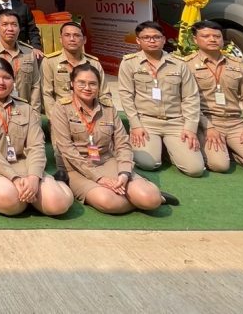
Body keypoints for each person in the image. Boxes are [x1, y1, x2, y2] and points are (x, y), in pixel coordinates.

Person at [50, 63, 169, 214]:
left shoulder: (108, 108)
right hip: (76, 169)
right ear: (72, 84)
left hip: (106, 161)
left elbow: (122, 143)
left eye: (93, 84)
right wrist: (99, 178)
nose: (87, 88)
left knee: (150, 199)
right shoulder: (61, 108)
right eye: (81, 83)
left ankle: (145, 196)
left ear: (99, 86)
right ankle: (139, 198)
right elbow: (67, 149)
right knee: (108, 201)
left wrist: (124, 172)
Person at [0, 57, 73, 217]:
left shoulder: (25, 107)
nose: (1, 82)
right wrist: (14, 178)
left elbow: (36, 146)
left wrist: (33, 177)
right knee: (11, 201)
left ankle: (59, 184)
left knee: (57, 205)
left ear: (13, 81)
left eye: (7, 78)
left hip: (21, 164)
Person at [117, 21, 204, 177]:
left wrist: (190, 128)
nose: (152, 41)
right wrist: (135, 125)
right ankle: (160, 148)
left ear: (163, 39)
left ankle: (169, 149)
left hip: (175, 122)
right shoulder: (129, 63)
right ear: (138, 40)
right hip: (146, 122)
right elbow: (126, 96)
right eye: (146, 38)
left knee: (195, 169)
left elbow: (190, 97)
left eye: (156, 37)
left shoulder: (179, 64)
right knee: (148, 163)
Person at [187, 20, 243, 177]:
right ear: (195, 40)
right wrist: (208, 127)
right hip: (206, 123)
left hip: (235, 124)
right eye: (206, 36)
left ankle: (232, 150)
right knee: (220, 165)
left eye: (217, 36)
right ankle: (224, 152)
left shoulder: (237, 64)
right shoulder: (187, 65)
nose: (212, 39)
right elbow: (186, 102)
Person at [40, 21, 105, 180]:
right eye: (67, 35)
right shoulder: (50, 62)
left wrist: (98, 117)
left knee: (98, 159)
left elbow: (104, 94)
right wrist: (55, 119)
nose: (72, 39)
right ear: (61, 39)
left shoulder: (94, 63)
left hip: (90, 116)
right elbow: (46, 94)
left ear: (84, 40)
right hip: (61, 116)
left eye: (76, 35)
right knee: (64, 163)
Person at [0, 9, 42, 111]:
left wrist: (34, 113)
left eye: (14, 25)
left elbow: (35, 86)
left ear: (19, 28)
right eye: (5, 24)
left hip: (24, 112)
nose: (10, 29)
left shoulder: (29, 52)